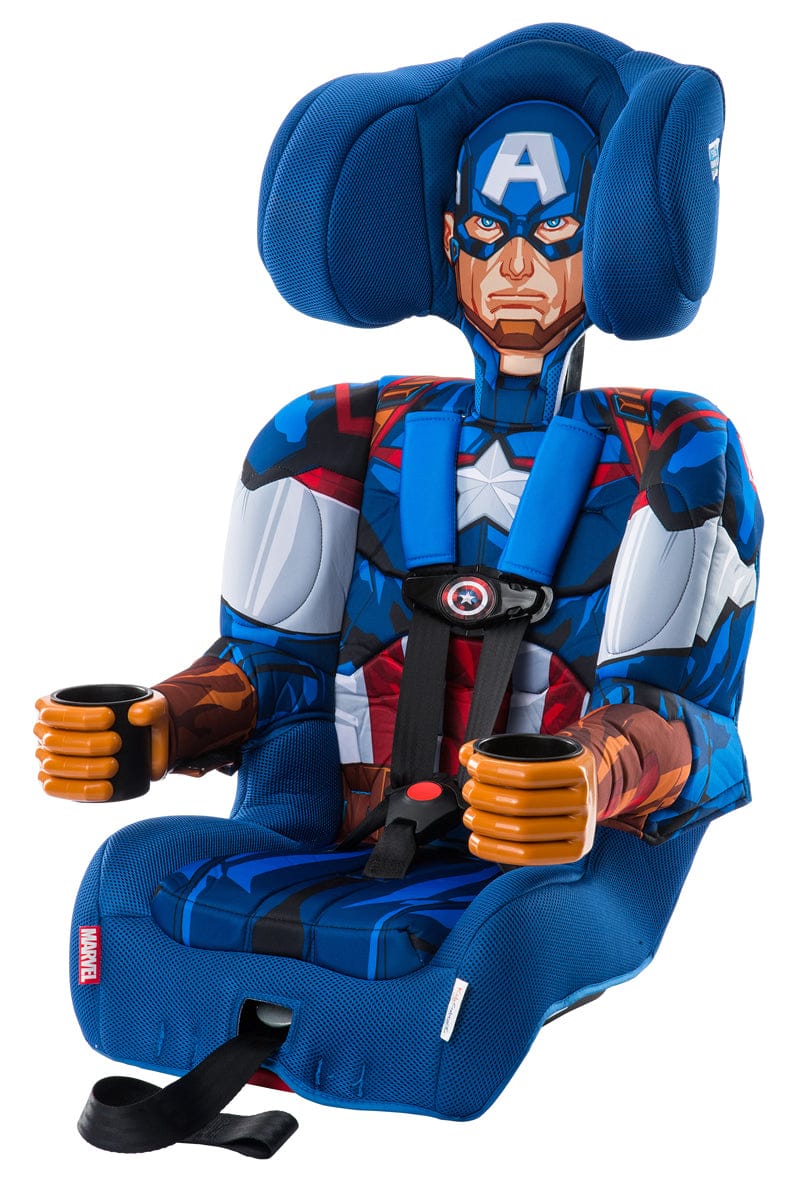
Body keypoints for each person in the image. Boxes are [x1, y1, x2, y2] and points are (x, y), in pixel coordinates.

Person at [34, 100, 761, 867]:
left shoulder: (666, 450)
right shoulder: (332, 434)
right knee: (134, 871)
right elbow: (270, 674)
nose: (516, 267)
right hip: (329, 829)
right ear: (450, 241)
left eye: (552, 232)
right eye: (488, 231)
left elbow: (694, 731)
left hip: (547, 863)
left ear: (601, 244)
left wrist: (594, 770)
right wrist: (157, 723)